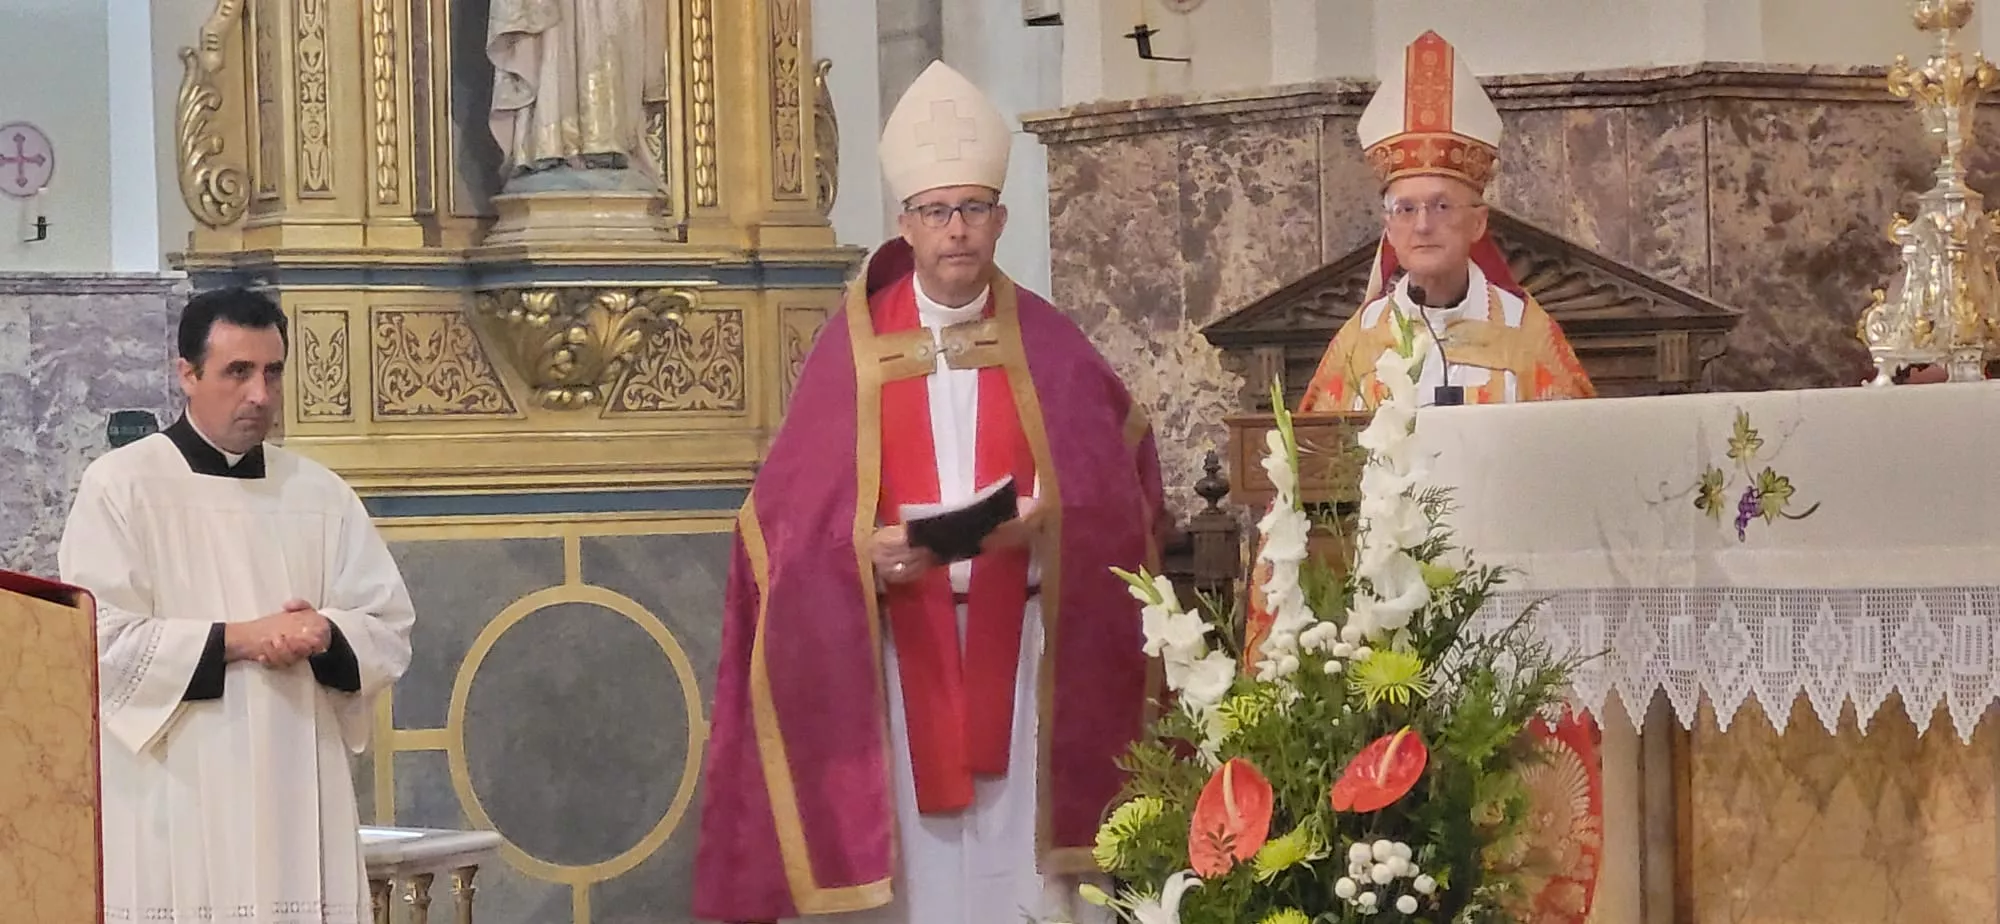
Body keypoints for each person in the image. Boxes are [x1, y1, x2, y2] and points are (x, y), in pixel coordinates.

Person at [692, 61, 1166, 924]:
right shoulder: (851, 352)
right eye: (938, 211)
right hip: (894, 663)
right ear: (905, 223)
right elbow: (778, 533)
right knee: (920, 888)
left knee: (1020, 882)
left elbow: (1126, 492)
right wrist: (857, 554)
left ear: (1000, 220)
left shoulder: (1053, 348)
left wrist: (1050, 523)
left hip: (1025, 664)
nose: (957, 229)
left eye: (974, 209)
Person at [59, 287, 416, 924]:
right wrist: (245, 637)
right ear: (187, 375)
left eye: (273, 372)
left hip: (295, 789)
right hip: (175, 795)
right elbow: (98, 643)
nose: (259, 394)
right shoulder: (122, 486)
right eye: (238, 372)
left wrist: (325, 633)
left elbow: (387, 626)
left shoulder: (320, 494)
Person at [1301, 30, 1594, 412]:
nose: (1423, 225)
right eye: (1406, 209)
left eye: (1441, 206)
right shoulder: (1361, 341)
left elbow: (1573, 441)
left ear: (1478, 223)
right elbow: (1317, 447)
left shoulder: (1525, 333)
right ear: (1389, 229)